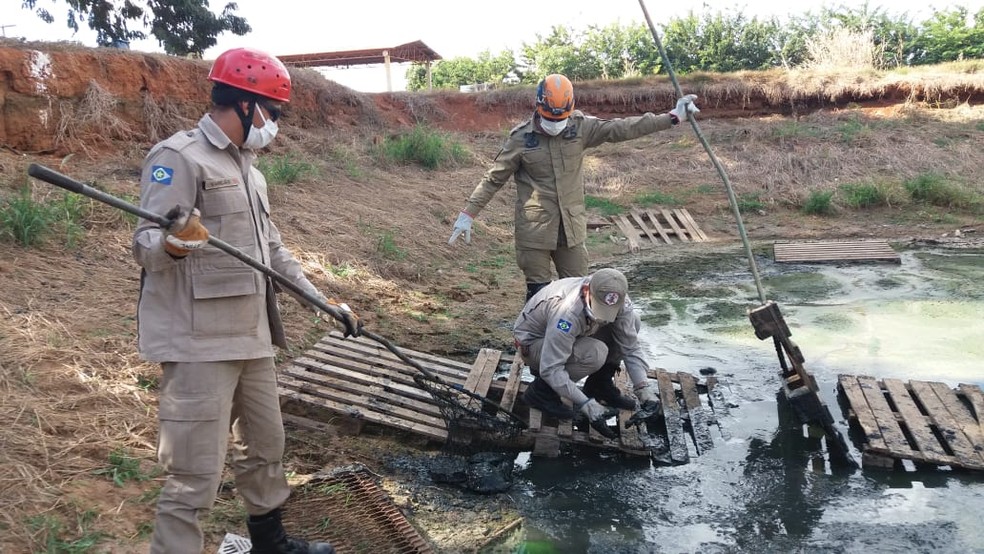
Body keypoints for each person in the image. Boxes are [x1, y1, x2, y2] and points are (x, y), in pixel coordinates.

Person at [133, 47, 358, 554]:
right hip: (199, 344)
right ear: (244, 103)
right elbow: (146, 247)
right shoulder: (178, 157)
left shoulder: (250, 169)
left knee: (265, 446)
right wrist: (174, 242)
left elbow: (271, 250)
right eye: (272, 113)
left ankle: (270, 543)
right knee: (194, 473)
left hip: (252, 335)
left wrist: (326, 304)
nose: (274, 125)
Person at [448, 73, 699, 301]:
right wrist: (468, 214)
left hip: (571, 230)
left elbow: (622, 128)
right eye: (550, 117)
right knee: (539, 296)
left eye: (561, 117)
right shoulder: (521, 138)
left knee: (579, 293)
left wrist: (673, 117)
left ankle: (575, 345)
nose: (556, 123)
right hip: (534, 232)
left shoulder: (580, 127)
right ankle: (534, 345)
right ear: (538, 107)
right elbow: (494, 178)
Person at [512, 267, 661, 438]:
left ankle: (599, 385)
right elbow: (551, 368)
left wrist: (644, 389)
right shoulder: (567, 313)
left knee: (633, 321)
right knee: (595, 353)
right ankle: (542, 392)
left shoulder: (618, 297)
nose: (604, 317)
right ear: (587, 291)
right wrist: (585, 404)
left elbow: (631, 347)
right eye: (600, 309)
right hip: (534, 343)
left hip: (573, 333)